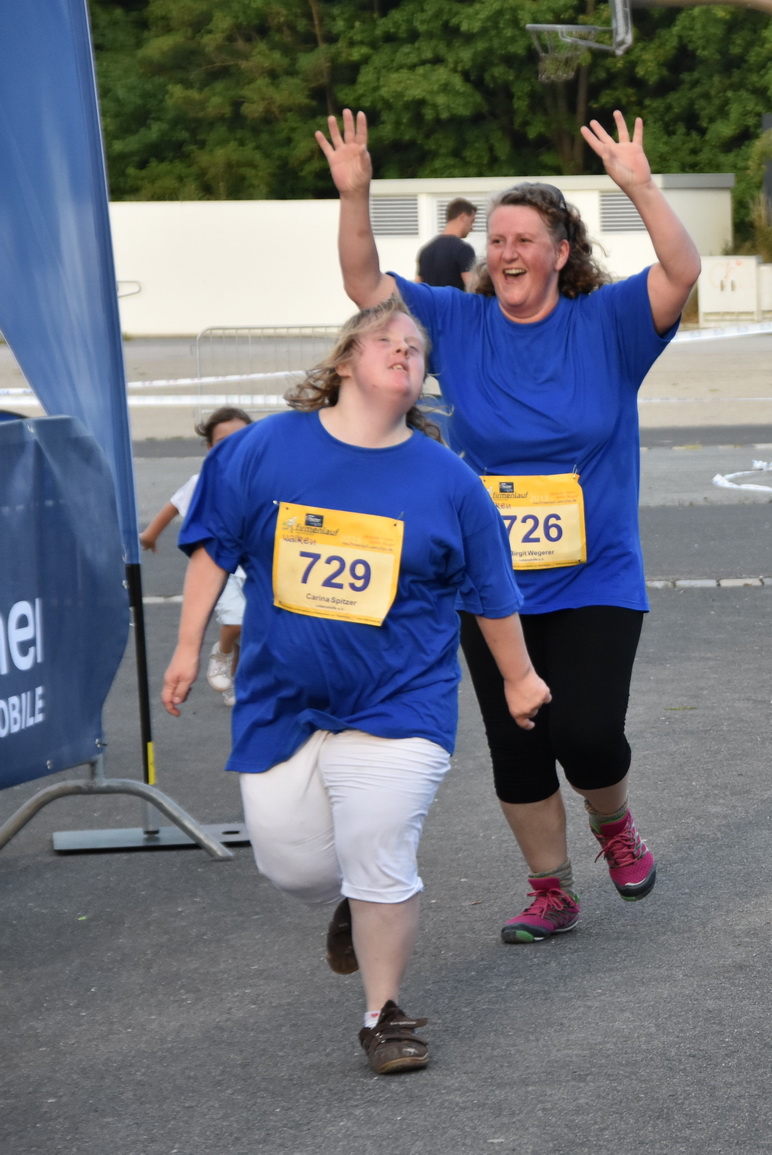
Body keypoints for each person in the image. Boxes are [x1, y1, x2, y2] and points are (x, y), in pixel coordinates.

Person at [317, 108, 700, 944]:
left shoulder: (610, 325)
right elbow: (362, 283)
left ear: (561, 252)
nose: (507, 253)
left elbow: (682, 268)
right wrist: (356, 193)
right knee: (519, 745)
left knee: (588, 731)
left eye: (525, 239)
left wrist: (638, 185)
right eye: (497, 240)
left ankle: (614, 821)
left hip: (597, 574)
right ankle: (551, 889)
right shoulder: (456, 323)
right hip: (489, 586)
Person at [161, 300, 551, 1074]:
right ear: (344, 361)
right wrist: (185, 645)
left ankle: (384, 1013)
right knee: (291, 865)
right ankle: (354, 903)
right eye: (388, 341)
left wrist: (520, 676)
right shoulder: (266, 449)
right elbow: (213, 545)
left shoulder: (450, 482)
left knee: (380, 848)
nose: (405, 352)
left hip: (402, 702)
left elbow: (491, 589)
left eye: (416, 347)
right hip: (281, 700)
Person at [139, 406, 253, 705]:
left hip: (252, 570)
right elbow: (172, 507)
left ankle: (236, 684)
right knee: (235, 621)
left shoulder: (259, 481)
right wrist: (149, 536)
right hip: (219, 571)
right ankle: (222, 653)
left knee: (248, 630)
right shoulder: (199, 482)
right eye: (223, 443)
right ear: (209, 448)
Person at [417, 197, 478, 290]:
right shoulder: (463, 249)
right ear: (464, 217)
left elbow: (418, 288)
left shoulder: (425, 250)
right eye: (472, 221)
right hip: (455, 304)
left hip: (430, 304)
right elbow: (474, 288)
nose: (472, 228)